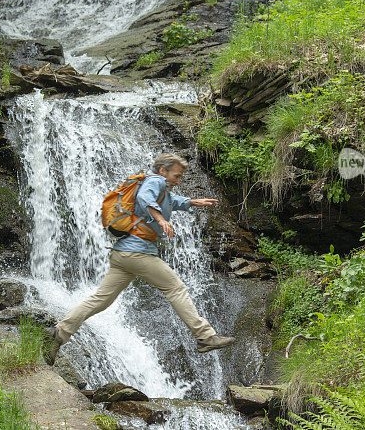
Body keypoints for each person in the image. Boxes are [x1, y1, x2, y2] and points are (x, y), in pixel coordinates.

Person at [44, 153, 235, 365]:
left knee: (100, 300)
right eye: (177, 175)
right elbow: (146, 200)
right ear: (163, 170)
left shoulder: (158, 186)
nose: (178, 181)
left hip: (122, 255)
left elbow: (170, 201)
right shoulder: (155, 181)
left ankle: (58, 334)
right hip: (138, 252)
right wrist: (161, 219)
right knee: (175, 288)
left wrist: (192, 202)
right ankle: (205, 337)